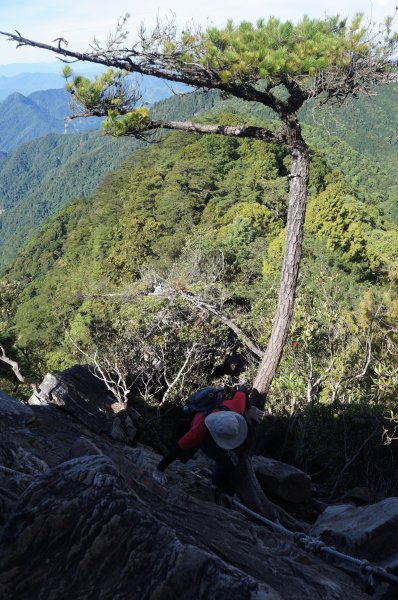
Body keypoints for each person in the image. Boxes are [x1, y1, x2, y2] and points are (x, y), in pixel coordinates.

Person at [152, 387, 264, 495]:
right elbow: (177, 449)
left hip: (216, 419)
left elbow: (243, 389)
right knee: (224, 459)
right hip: (204, 431)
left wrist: (248, 409)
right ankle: (217, 485)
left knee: (229, 460)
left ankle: (217, 482)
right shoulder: (198, 431)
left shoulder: (238, 408)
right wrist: (159, 470)